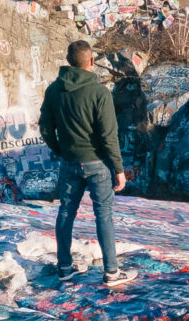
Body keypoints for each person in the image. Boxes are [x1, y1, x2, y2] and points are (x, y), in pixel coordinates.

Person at [38, 40, 137, 286]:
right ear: (91, 62)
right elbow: (108, 136)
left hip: (69, 163)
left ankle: (64, 268)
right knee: (103, 215)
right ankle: (112, 272)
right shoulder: (100, 93)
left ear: (69, 61)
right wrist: (118, 169)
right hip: (97, 165)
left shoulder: (54, 90)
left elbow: (45, 128)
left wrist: (60, 150)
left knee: (65, 212)